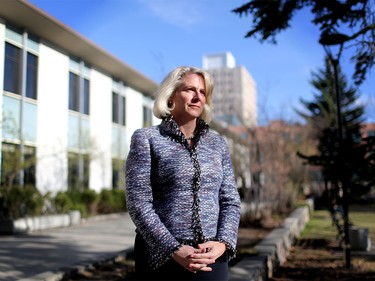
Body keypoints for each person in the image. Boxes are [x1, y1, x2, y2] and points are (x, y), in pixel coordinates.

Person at [125, 66, 241, 281]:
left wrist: (223, 243)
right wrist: (173, 248)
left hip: (211, 258)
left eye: (203, 92)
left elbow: (230, 201)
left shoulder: (217, 143)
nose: (197, 96)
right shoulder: (147, 139)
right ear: (170, 96)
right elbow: (138, 202)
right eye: (189, 89)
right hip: (161, 258)